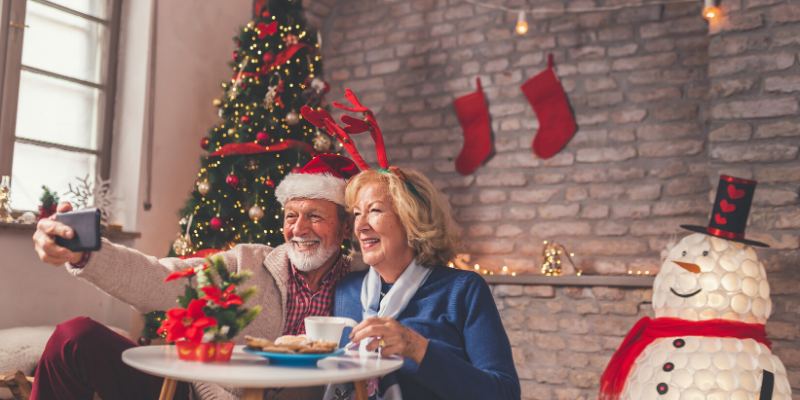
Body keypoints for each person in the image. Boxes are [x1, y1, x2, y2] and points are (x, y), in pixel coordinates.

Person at [30, 154, 360, 400]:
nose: (298, 229)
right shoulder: (245, 262)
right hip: (197, 396)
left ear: (346, 227)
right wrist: (85, 253)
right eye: (291, 216)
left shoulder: (365, 284)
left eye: (315, 216)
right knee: (74, 337)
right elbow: (161, 278)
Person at [328, 167, 521, 400]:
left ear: (412, 219)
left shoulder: (463, 290)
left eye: (375, 210)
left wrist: (418, 349)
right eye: (357, 214)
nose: (360, 227)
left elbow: (506, 394)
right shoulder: (346, 289)